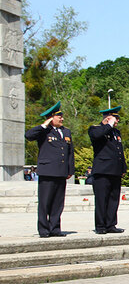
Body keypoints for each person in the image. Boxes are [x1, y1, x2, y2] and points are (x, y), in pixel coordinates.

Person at [24, 101, 75, 238]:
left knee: (58, 203)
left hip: (61, 172)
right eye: (59, 117)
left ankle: (55, 228)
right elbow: (28, 136)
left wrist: (70, 170)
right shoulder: (44, 131)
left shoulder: (66, 131)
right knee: (45, 202)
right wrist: (44, 125)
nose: (62, 119)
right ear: (51, 118)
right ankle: (44, 229)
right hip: (47, 171)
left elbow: (70, 152)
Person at [88, 106, 126, 235]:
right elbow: (97, 136)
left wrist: (123, 167)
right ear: (108, 118)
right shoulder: (95, 129)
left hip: (115, 170)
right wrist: (108, 125)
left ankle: (111, 224)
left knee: (113, 199)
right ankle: (100, 225)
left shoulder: (116, 132)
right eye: (116, 119)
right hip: (102, 170)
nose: (117, 122)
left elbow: (119, 151)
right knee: (101, 199)